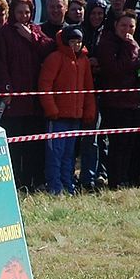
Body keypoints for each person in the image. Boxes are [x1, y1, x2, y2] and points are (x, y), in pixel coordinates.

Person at [0, 0, 53, 190]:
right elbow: (0, 64)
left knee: (34, 144)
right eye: (20, 12)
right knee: (15, 144)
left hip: (34, 100)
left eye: (27, 12)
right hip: (15, 100)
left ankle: (33, 181)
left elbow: (49, 48)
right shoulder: (4, 33)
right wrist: (6, 89)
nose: (24, 16)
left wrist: (31, 37)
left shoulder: (36, 30)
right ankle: (16, 182)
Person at [37, 27, 95, 195]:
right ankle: (55, 188)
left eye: (78, 42)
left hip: (75, 116)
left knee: (69, 155)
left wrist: (89, 109)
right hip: (57, 117)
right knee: (55, 154)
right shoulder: (55, 58)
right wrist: (51, 109)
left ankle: (68, 185)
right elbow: (45, 85)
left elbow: (88, 87)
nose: (76, 45)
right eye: (72, 42)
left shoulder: (83, 61)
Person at [96, 11, 140, 188]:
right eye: (124, 25)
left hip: (134, 100)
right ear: (115, 25)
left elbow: (139, 66)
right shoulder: (108, 43)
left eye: (131, 26)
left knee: (131, 144)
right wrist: (130, 47)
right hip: (115, 102)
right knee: (118, 145)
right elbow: (116, 68)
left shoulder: (134, 44)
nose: (127, 30)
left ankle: (129, 178)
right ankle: (115, 181)